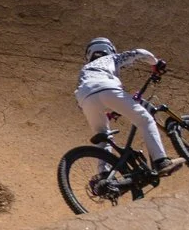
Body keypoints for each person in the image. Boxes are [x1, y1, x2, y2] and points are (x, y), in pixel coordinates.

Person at [76, 37, 181, 176]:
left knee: (103, 136)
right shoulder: (113, 58)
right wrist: (155, 63)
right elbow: (140, 53)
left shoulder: (84, 70)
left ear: (89, 54)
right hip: (108, 89)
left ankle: (104, 176)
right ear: (110, 49)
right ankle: (161, 161)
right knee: (145, 120)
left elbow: (91, 94)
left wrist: (110, 110)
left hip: (85, 99)